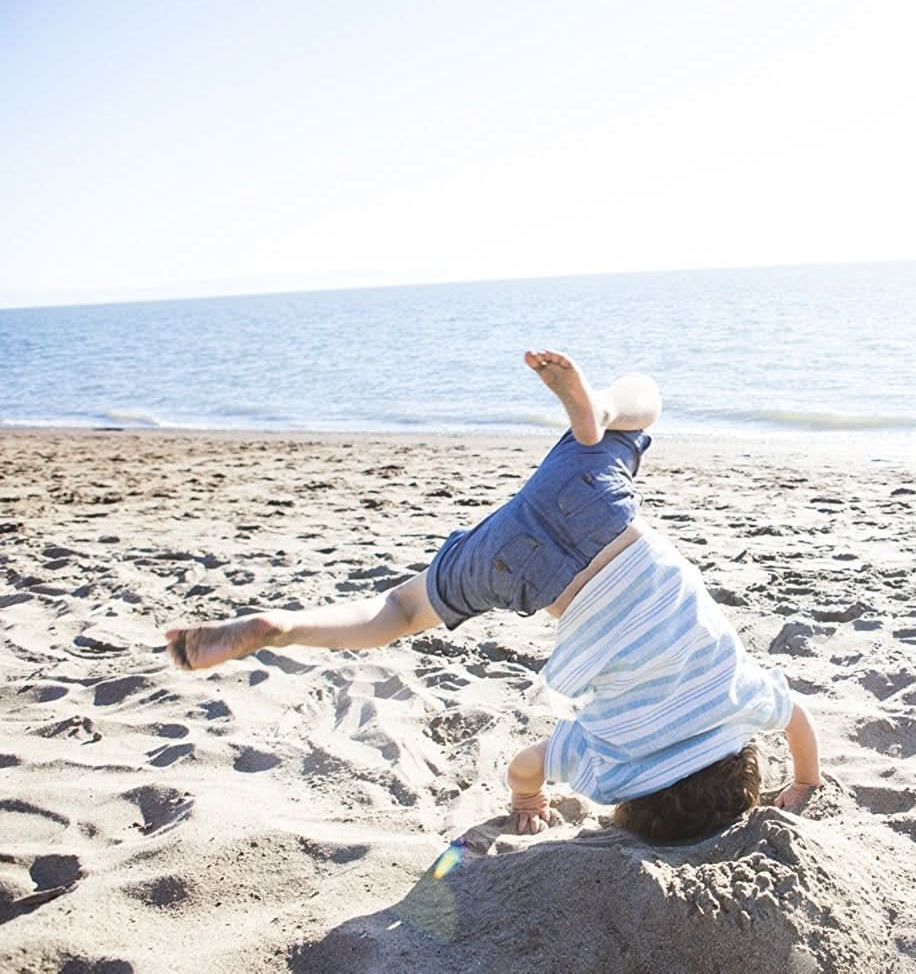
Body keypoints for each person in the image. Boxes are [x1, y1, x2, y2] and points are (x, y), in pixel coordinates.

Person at [165, 350, 821, 841]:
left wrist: (804, 778)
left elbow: (799, 721)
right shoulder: (611, 767)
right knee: (401, 612)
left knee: (647, 398)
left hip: (596, 510)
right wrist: (528, 803)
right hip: (525, 570)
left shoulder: (739, 704)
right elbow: (525, 764)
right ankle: (282, 627)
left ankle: (604, 412)